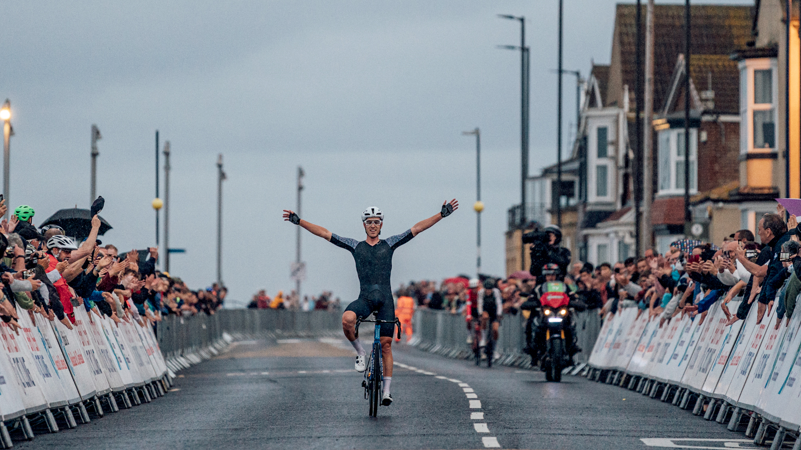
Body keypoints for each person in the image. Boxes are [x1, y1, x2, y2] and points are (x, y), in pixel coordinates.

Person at [283, 200, 458, 406]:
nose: (373, 225)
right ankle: (360, 352)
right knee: (347, 319)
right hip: (365, 299)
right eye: (369, 222)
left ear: (381, 225)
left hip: (385, 300)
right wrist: (299, 221)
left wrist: (441, 215)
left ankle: (386, 391)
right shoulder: (355, 246)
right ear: (364, 225)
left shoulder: (390, 243)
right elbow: (324, 233)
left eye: (376, 222)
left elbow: (417, 229)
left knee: (386, 345)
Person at [477, 279, 502, 348]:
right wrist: (480, 313)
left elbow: (499, 303)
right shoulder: (481, 292)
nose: (488, 291)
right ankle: (483, 338)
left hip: (494, 311)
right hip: (486, 310)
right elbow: (480, 303)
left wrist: (499, 314)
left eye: (490, 289)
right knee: (484, 318)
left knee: (495, 329)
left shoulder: (496, 292)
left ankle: (495, 346)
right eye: (487, 289)